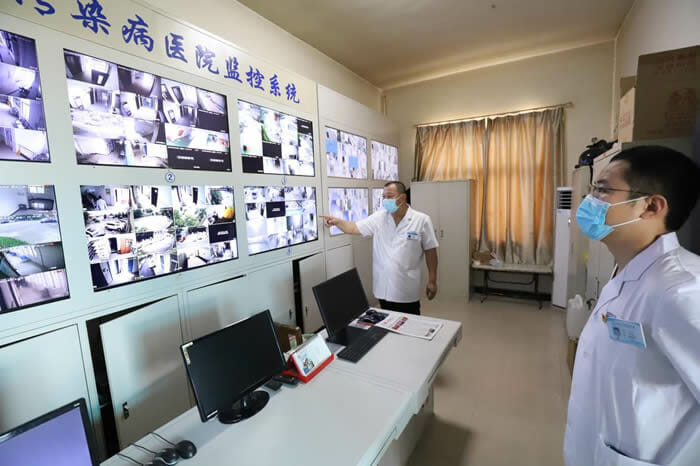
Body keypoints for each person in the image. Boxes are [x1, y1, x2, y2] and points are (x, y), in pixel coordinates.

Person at [565, 145, 700, 466]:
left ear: (651, 206)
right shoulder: (627, 270)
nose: (589, 200)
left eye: (602, 190)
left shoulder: (684, 292)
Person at [321, 181, 438, 315]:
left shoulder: (421, 220)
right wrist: (337, 222)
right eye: (384, 197)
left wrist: (432, 280)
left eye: (390, 196)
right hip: (383, 288)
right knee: (387, 322)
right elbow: (353, 228)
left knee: (409, 323)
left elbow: (430, 251)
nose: (386, 200)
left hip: (406, 288)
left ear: (403, 198)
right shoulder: (379, 218)